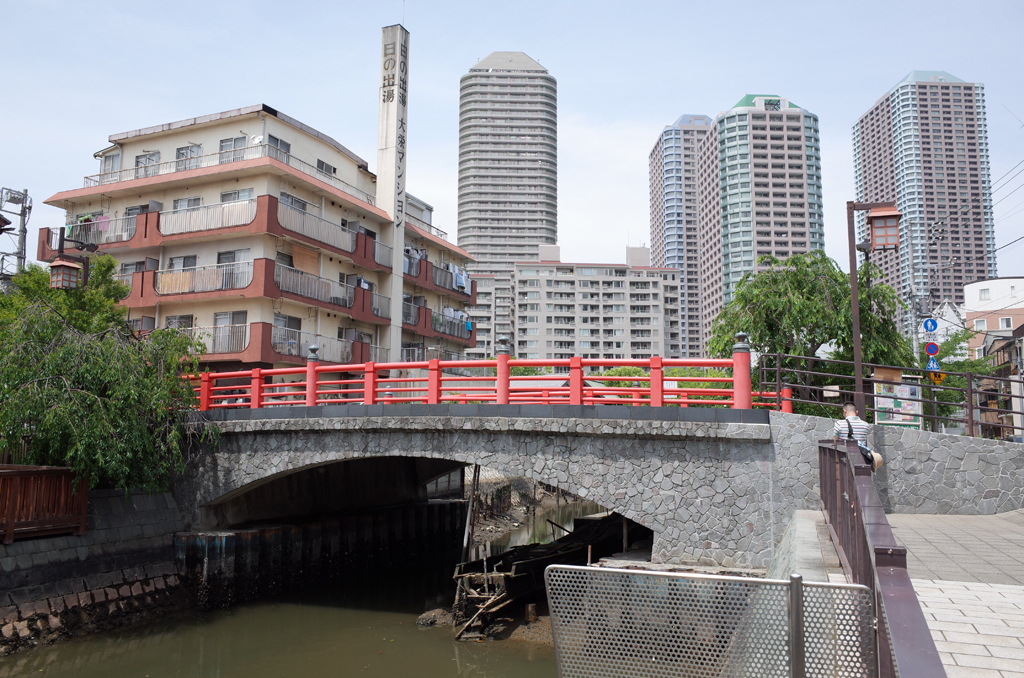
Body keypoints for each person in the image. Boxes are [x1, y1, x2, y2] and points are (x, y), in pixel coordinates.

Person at [833, 402, 883, 471]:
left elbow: (835, 441)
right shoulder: (865, 425)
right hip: (861, 460)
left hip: (844, 460)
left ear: (845, 411)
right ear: (856, 412)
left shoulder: (839, 424)